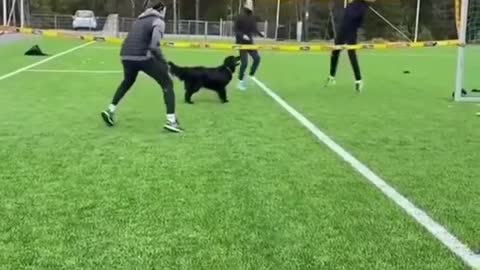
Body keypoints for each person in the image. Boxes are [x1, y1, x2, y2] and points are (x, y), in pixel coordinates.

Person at [101, 1, 182, 133]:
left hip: (126, 55)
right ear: (161, 9)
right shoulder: (158, 21)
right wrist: (163, 63)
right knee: (167, 84)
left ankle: (110, 110)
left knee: (127, 82)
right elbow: (154, 45)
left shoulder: (139, 20)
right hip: (143, 56)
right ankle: (171, 121)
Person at [326, 0, 376, 92]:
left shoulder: (362, 7)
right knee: (335, 51)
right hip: (345, 23)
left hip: (353, 23)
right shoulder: (350, 5)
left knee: (351, 53)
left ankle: (358, 80)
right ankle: (331, 77)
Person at [234, 0, 264, 91]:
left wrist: (260, 34)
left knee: (257, 59)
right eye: (249, 3)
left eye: (252, 3)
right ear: (246, 5)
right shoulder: (239, 16)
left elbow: (254, 28)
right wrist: (243, 35)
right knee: (244, 63)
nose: (251, 5)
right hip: (241, 43)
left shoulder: (252, 17)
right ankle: (240, 82)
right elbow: (235, 29)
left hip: (250, 43)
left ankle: (251, 75)